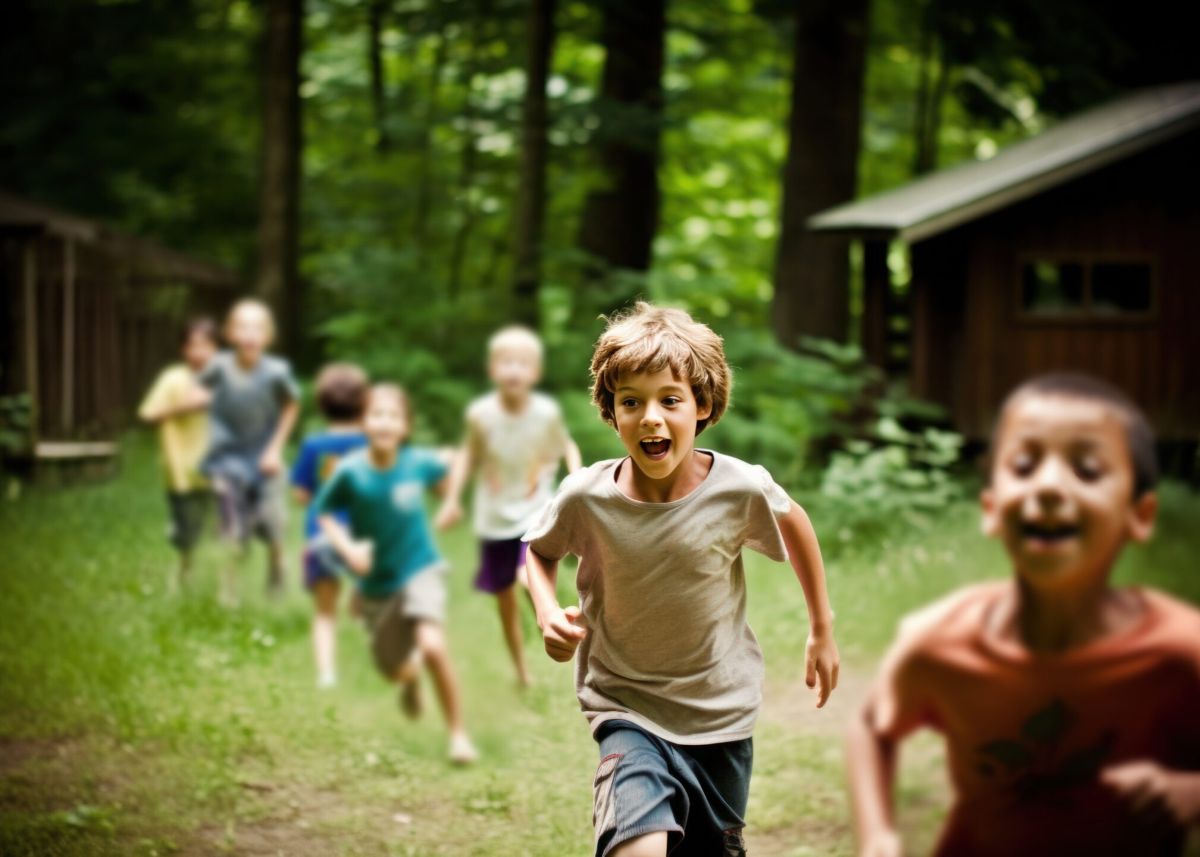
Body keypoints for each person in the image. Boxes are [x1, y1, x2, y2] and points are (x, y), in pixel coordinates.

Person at [523, 302, 840, 857]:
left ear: (704, 406)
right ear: (611, 413)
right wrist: (547, 610)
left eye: (670, 400)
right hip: (625, 706)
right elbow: (539, 550)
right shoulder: (586, 497)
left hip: (720, 711)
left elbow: (795, 524)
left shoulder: (740, 488)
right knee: (638, 846)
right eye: (631, 402)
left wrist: (821, 626)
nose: (650, 417)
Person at [847, 372, 1200, 857]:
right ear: (991, 507)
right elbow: (872, 725)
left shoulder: (1181, 652)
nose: (1050, 485)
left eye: (1088, 469)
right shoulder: (939, 641)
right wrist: (877, 836)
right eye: (1025, 465)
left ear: (1139, 514)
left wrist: (1190, 792)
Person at [314, 383, 478, 765]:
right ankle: (410, 676)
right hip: (376, 586)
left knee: (434, 645)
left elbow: (455, 464)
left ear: (405, 427)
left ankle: (458, 735)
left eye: (393, 416)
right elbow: (324, 514)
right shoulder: (350, 472)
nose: (384, 422)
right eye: (376, 414)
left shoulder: (416, 462)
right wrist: (349, 549)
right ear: (363, 422)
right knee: (394, 670)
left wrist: (451, 499)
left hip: (421, 568)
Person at [436, 325, 582, 688]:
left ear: (535, 372)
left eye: (523, 363)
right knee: (504, 603)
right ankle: (521, 672)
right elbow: (468, 455)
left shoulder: (545, 412)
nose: (514, 370)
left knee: (526, 574)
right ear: (492, 369)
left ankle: (554, 623)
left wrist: (577, 482)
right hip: (494, 518)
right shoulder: (481, 414)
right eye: (506, 362)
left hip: (533, 510)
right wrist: (453, 498)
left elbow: (567, 447)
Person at [199, 299, 300, 604]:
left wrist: (275, 449)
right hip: (226, 460)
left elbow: (292, 405)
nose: (250, 334)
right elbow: (198, 390)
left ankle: (276, 566)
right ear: (229, 333)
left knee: (272, 524)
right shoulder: (218, 365)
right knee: (230, 526)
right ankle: (227, 592)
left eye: (257, 327)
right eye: (242, 326)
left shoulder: (277, 371)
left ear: (268, 336)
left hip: (264, 460)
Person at [291, 362, 370, 689]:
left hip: (322, 537)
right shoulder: (371, 443)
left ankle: (326, 675)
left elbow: (300, 493)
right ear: (365, 404)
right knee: (370, 600)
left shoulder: (313, 445)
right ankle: (359, 596)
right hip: (363, 539)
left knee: (324, 612)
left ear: (322, 404)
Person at [138, 317, 218, 589]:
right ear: (184, 350)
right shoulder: (173, 378)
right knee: (188, 532)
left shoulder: (225, 380)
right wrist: (183, 408)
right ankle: (185, 572)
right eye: (193, 345)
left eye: (206, 345)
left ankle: (224, 582)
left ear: (216, 349)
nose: (199, 352)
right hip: (180, 469)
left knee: (223, 529)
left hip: (219, 469)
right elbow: (147, 415)